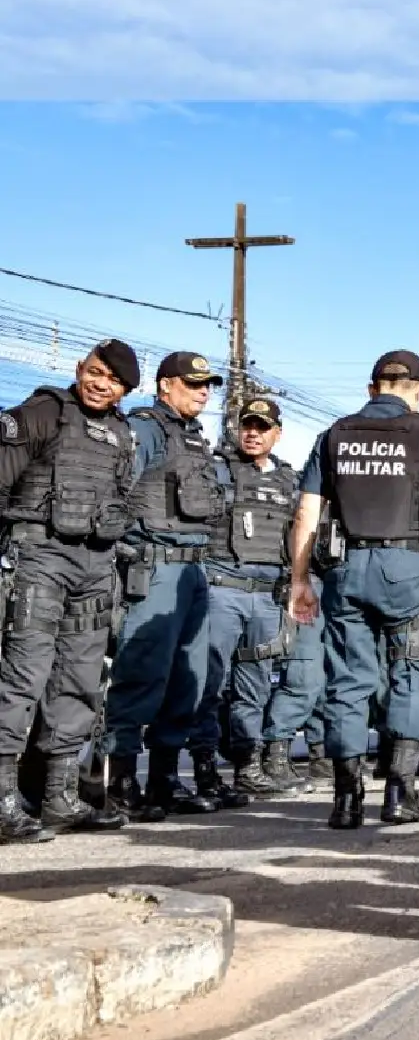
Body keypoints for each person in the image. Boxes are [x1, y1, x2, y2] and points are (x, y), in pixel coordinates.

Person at [286, 350, 419, 828]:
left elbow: (307, 513)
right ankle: (400, 793)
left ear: (372, 388)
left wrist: (299, 579)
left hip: (347, 567)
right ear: (418, 390)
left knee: (349, 679)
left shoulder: (335, 434)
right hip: (405, 567)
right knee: (411, 671)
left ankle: (346, 799)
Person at [0, 340, 140, 842]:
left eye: (114, 380)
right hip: (40, 556)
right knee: (24, 674)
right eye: (96, 372)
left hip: (97, 565)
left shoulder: (122, 434)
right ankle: (2, 800)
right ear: (80, 369)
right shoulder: (44, 412)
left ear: (125, 390)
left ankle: (60, 797)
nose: (102, 384)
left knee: (80, 677)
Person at [101, 351, 226, 822]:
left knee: (186, 682)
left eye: (207, 385)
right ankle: (122, 781)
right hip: (155, 568)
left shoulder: (194, 439)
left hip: (193, 570)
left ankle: (165, 779)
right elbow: (119, 490)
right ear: (165, 385)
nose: (203, 391)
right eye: (194, 384)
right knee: (141, 674)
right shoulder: (147, 428)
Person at [202, 396, 321, 800]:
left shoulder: (290, 480)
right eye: (247, 425)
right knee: (211, 681)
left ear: (277, 433)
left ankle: (249, 767)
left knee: (254, 685)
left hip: (268, 595)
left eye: (261, 427)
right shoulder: (218, 471)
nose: (253, 433)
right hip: (222, 589)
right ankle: (205, 769)